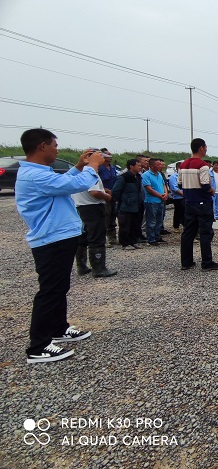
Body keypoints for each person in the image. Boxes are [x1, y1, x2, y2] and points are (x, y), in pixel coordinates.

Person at [15, 128, 105, 363]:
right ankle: (39, 346)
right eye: (55, 145)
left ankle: (58, 328)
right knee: (50, 290)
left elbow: (64, 182)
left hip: (59, 236)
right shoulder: (34, 176)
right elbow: (76, 185)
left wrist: (78, 166)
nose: (57, 150)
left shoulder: (40, 173)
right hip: (51, 238)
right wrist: (92, 166)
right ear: (42, 146)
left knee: (59, 287)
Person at [180, 138, 218, 271]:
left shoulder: (183, 164)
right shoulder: (203, 165)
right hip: (202, 202)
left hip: (189, 202)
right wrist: (211, 190)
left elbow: (180, 184)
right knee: (205, 232)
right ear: (201, 148)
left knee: (188, 232)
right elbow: (205, 185)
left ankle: (186, 262)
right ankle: (207, 262)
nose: (206, 150)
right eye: (205, 147)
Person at [71, 164, 117, 278]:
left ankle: (81, 267)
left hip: (79, 206)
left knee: (82, 237)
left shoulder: (79, 171)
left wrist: (102, 189)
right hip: (92, 207)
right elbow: (94, 192)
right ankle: (99, 268)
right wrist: (106, 196)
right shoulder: (91, 172)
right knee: (97, 237)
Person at [112, 159, 144, 250]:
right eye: (138, 166)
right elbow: (115, 191)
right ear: (131, 166)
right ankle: (125, 243)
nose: (140, 167)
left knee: (135, 225)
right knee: (125, 225)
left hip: (137, 205)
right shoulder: (123, 177)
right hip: (126, 206)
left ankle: (133, 241)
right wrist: (123, 200)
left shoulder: (138, 177)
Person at [141, 158, 167, 246]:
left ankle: (157, 236)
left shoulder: (159, 174)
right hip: (151, 201)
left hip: (161, 201)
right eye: (158, 165)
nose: (160, 166)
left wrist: (166, 193)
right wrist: (160, 195)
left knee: (159, 220)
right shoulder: (146, 175)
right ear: (151, 166)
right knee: (151, 221)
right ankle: (151, 239)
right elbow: (149, 188)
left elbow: (163, 185)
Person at [97, 148, 118, 247]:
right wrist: (105, 190)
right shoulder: (99, 168)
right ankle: (103, 239)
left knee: (113, 216)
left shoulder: (112, 167)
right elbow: (97, 182)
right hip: (104, 196)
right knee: (105, 216)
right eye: (108, 155)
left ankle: (112, 238)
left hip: (113, 195)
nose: (110, 156)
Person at [168, 161, 185, 230]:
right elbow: (174, 188)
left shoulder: (184, 176)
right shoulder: (173, 177)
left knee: (185, 212)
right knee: (178, 212)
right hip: (178, 197)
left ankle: (185, 225)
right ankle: (176, 226)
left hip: (185, 197)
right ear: (178, 168)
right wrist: (184, 194)